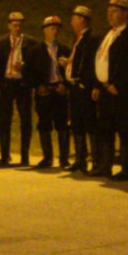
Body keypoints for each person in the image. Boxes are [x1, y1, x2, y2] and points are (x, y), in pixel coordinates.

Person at [90, 0, 128, 181]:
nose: (110, 15)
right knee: (105, 128)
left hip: (122, 92)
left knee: (124, 129)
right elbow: (101, 60)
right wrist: (98, 84)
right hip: (106, 89)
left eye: (114, 11)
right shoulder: (107, 33)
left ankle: (127, 169)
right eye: (109, 11)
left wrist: (119, 85)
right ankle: (105, 166)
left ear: (124, 13)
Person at [0, 12, 39, 166]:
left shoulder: (31, 42)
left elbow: (37, 63)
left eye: (19, 25)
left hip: (22, 84)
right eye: (14, 25)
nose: (17, 28)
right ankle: (5, 155)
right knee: (4, 120)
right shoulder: (1, 43)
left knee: (26, 119)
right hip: (6, 84)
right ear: (9, 25)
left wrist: (25, 66)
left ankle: (24, 155)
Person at [25, 16, 71, 169]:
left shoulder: (64, 49)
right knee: (44, 124)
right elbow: (28, 72)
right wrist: (38, 86)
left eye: (57, 28)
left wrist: (65, 85)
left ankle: (64, 158)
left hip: (59, 91)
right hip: (44, 92)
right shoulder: (35, 51)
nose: (55, 31)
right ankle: (47, 157)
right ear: (45, 30)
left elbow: (72, 71)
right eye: (52, 28)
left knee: (63, 125)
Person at [59, 6, 100, 174]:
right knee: (77, 124)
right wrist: (69, 63)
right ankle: (80, 159)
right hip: (75, 87)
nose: (71, 22)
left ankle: (96, 161)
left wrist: (93, 84)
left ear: (82, 19)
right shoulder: (79, 38)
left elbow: (93, 63)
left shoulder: (91, 39)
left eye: (74, 18)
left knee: (90, 123)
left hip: (84, 87)